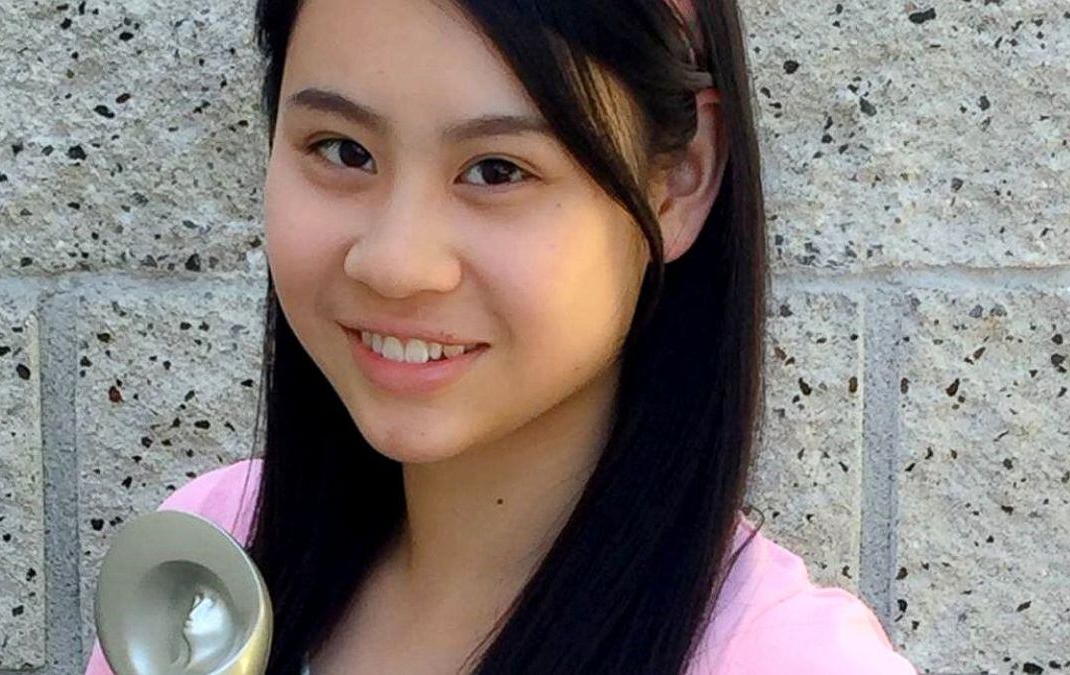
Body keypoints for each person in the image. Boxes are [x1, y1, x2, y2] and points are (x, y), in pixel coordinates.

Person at [86, 0, 920, 673]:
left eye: (496, 170)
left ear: (678, 178)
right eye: (342, 151)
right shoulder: (205, 569)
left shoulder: (785, 657)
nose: (396, 263)